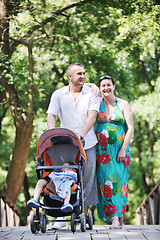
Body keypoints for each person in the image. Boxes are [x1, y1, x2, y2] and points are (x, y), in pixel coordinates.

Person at [47, 63, 100, 226]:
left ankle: (80, 216)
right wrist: (52, 134)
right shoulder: (58, 94)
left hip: (88, 143)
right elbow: (51, 115)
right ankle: (60, 215)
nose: (83, 76)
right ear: (70, 76)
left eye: (84, 73)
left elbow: (92, 116)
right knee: (60, 177)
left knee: (88, 180)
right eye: (79, 74)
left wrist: (82, 134)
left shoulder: (92, 94)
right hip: (65, 146)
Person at [95, 75, 134, 229]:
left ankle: (116, 218)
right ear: (100, 88)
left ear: (114, 86)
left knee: (118, 182)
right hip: (102, 153)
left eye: (108, 85)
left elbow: (130, 128)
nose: (106, 88)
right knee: (105, 183)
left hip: (120, 151)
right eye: (103, 85)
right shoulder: (96, 104)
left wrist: (123, 149)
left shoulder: (123, 104)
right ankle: (114, 216)